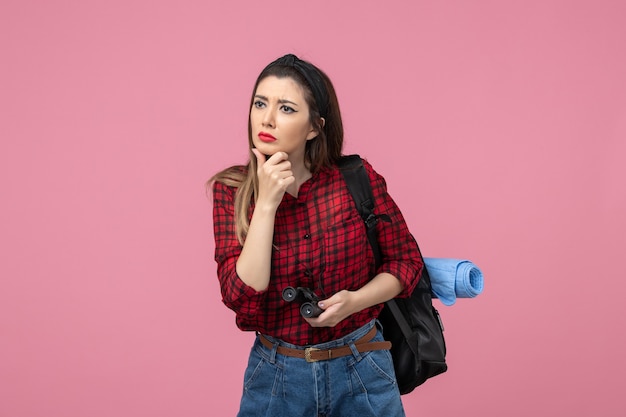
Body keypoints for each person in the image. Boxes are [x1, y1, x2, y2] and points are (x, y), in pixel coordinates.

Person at [209, 53, 423, 417]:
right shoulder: (232, 190)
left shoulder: (355, 179)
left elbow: (406, 262)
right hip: (277, 378)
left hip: (361, 367)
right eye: (260, 103)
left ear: (314, 127)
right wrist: (266, 205)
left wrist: (354, 301)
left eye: (287, 108)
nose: (268, 118)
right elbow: (241, 298)